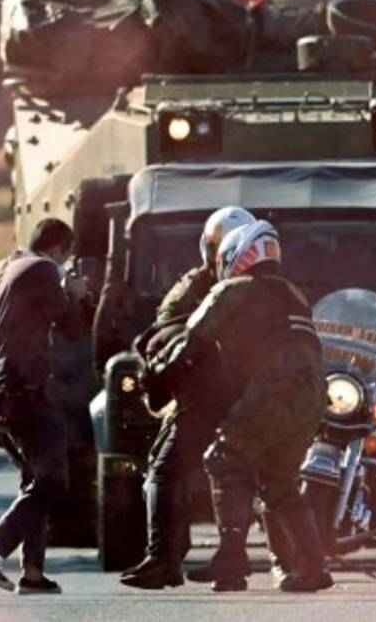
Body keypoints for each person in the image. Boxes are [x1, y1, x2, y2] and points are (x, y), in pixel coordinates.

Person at [179, 221, 332, 593]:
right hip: (312, 398)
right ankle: (313, 567)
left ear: (236, 256)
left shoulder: (233, 289)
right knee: (280, 481)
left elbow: (191, 338)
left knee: (224, 458)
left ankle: (231, 559)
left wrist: (160, 368)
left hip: (274, 389)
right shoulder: (294, 293)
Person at [119, 206, 256, 590]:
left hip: (245, 395)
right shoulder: (196, 288)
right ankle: (172, 557)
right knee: (170, 471)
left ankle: (211, 560)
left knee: (230, 474)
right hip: (207, 394)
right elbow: (164, 334)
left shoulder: (255, 288)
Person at [0, 218, 89, 595]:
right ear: (60, 249)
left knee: (34, 481)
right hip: (23, 392)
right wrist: (77, 293)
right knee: (52, 481)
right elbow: (71, 329)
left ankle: (33, 571)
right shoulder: (45, 270)